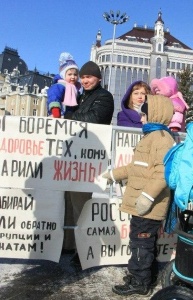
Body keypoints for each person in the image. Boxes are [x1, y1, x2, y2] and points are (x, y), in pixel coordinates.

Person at [103, 95, 175, 296]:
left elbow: (162, 174)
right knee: (143, 243)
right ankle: (145, 276)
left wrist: (148, 197)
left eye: (144, 114)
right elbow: (136, 168)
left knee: (140, 244)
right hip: (141, 205)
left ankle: (139, 281)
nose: (141, 118)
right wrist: (113, 174)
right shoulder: (151, 137)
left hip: (148, 207)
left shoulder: (162, 139)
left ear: (155, 114)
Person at [67, 61, 114, 265]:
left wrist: (70, 116)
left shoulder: (104, 97)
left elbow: (95, 118)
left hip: (89, 158)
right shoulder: (80, 96)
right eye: (83, 77)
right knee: (70, 204)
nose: (85, 80)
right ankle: (71, 245)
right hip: (73, 155)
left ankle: (84, 250)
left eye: (89, 77)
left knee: (82, 205)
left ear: (98, 79)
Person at [47, 52, 81, 118]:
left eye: (75, 74)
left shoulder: (76, 88)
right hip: (58, 115)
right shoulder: (60, 85)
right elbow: (54, 96)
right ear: (63, 75)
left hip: (68, 117)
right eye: (70, 74)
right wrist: (55, 109)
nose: (73, 77)